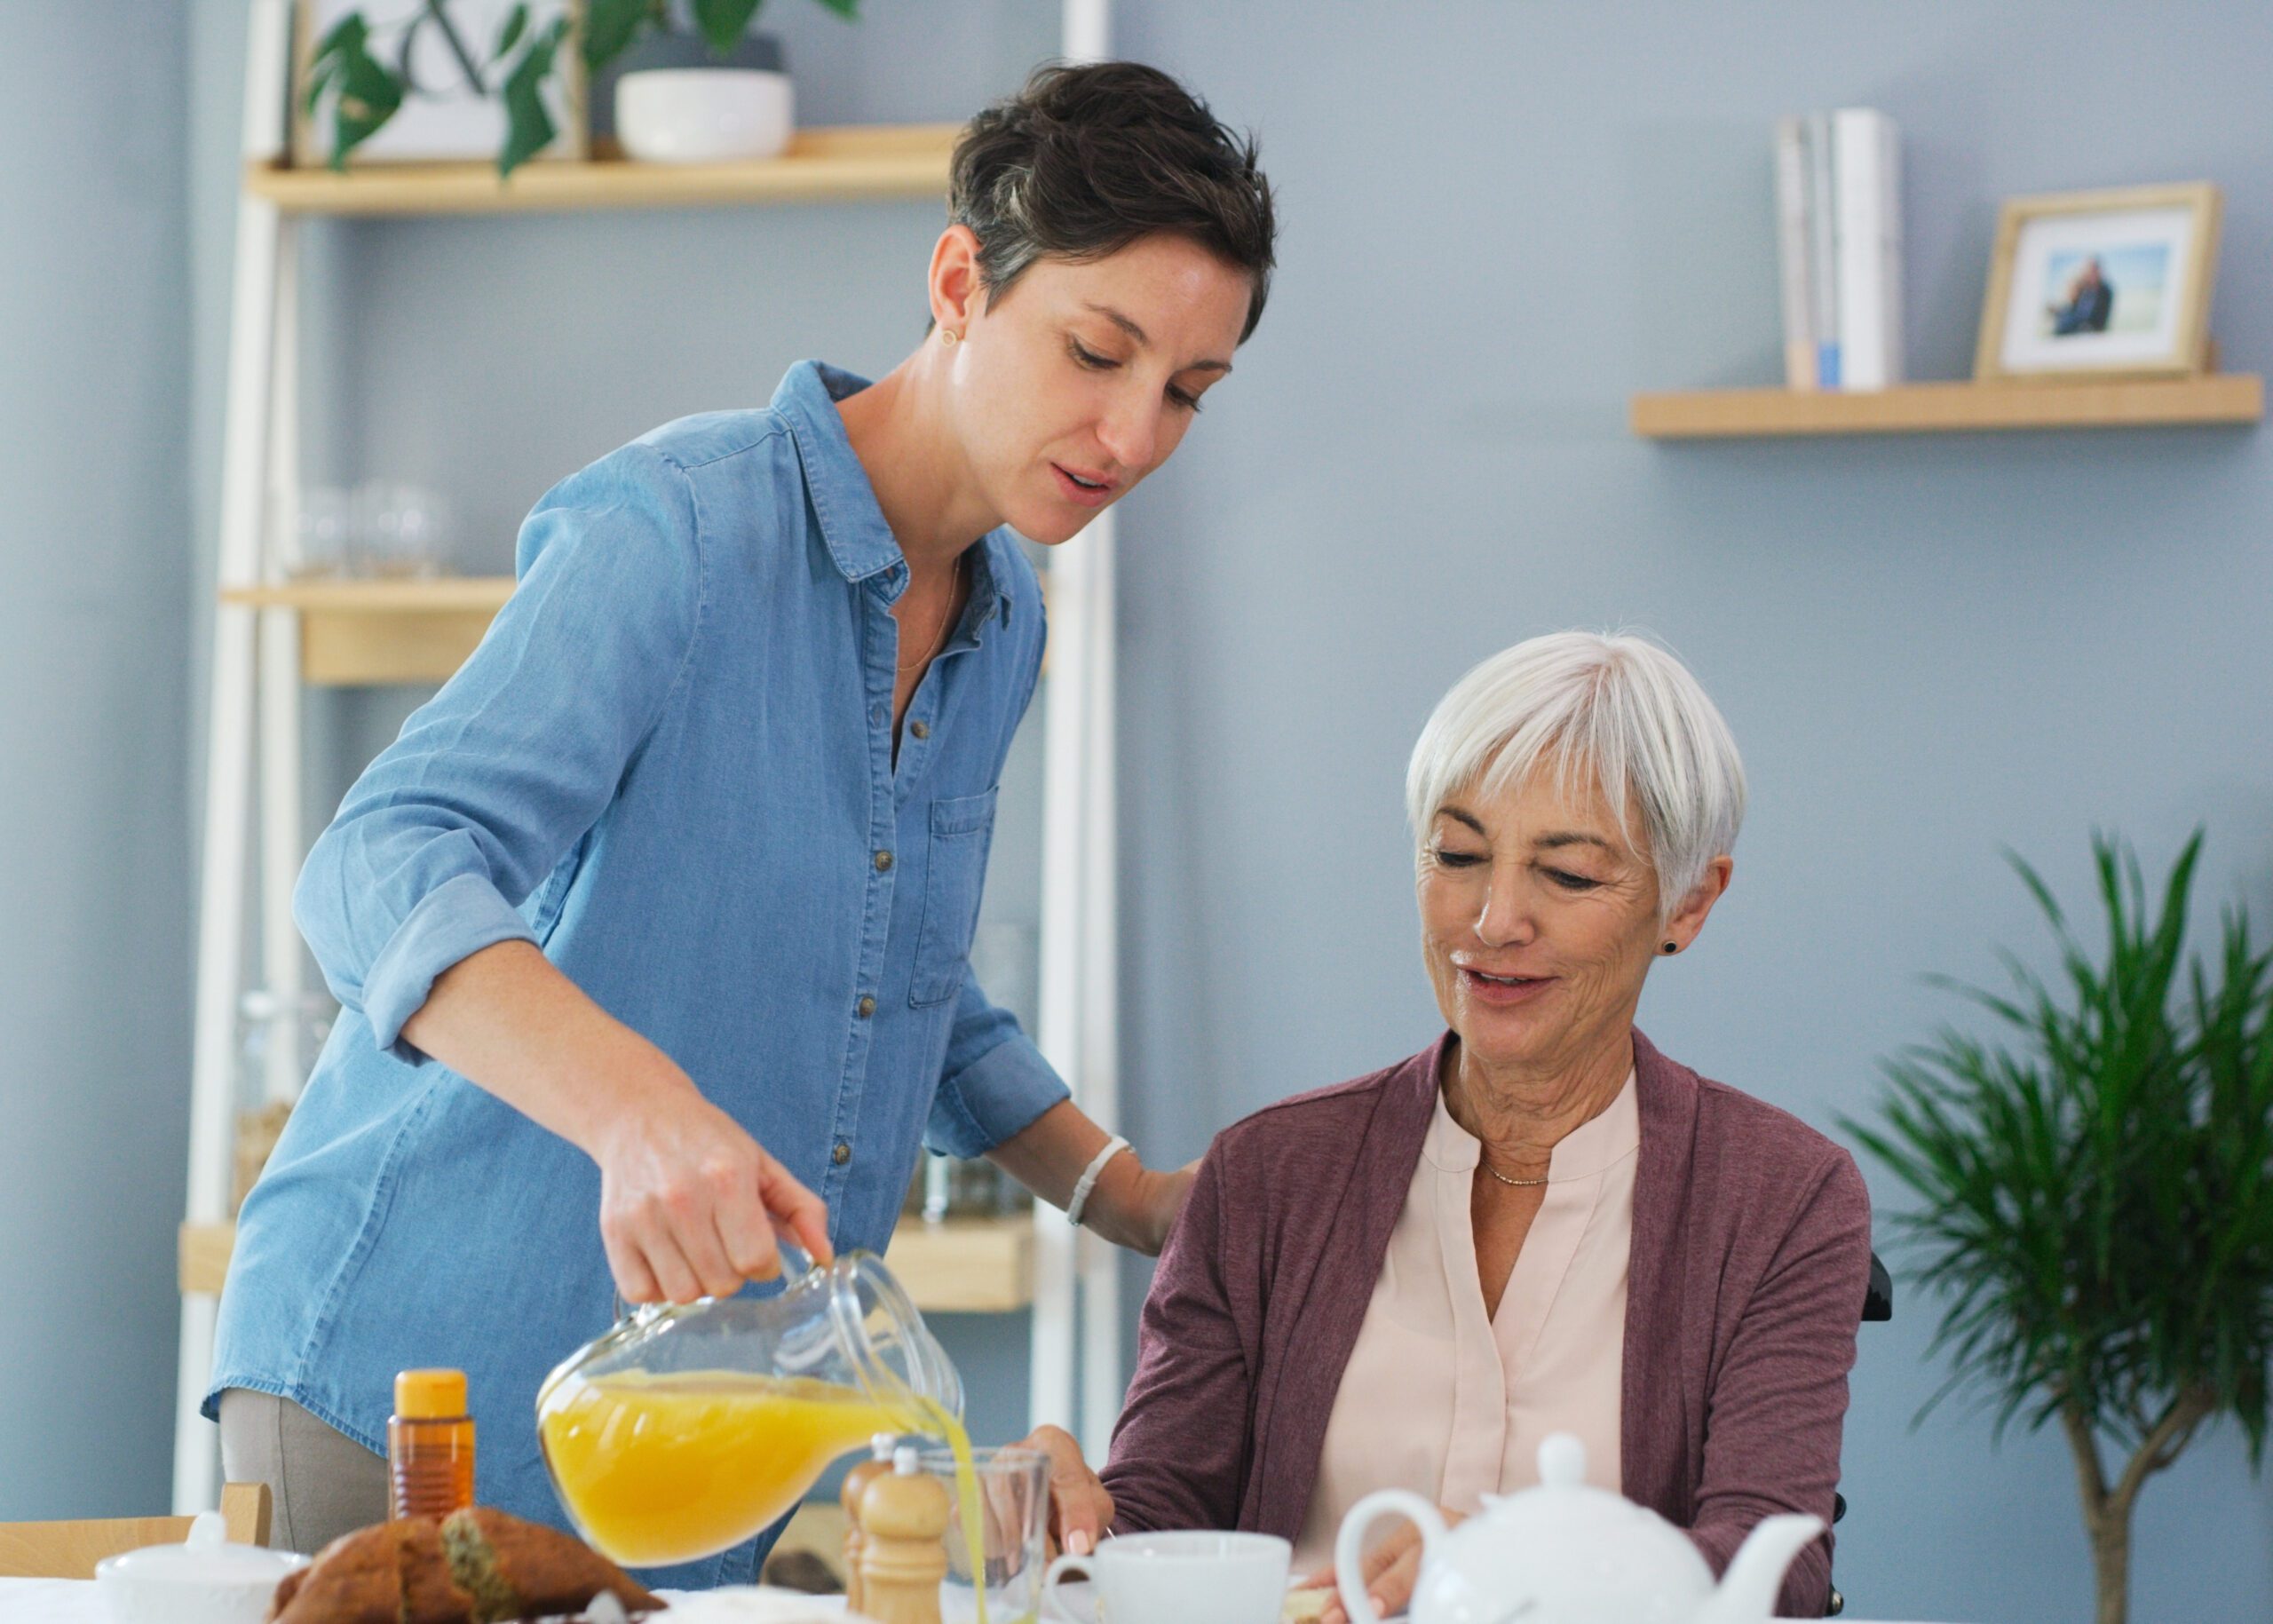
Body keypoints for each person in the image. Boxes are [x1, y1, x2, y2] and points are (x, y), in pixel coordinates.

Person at [208, 60, 1276, 1587]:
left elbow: (905, 978)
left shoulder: (1002, 622)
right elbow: (379, 859)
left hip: (694, 1439)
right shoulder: (682, 529)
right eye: (1096, 351)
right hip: (410, 1379)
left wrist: (1134, 1195)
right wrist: (639, 1108)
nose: (1130, 434)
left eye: (1184, 390)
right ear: (961, 281)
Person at [1071, 632, 1874, 1620]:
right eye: (1456, 854)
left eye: (1568, 874)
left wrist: (1512, 1568)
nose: (1492, 919)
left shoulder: (1781, 1194)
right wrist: (1066, 1522)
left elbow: (1773, 1567)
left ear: (1689, 902)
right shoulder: (1267, 1173)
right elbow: (1158, 1526)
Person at [2050, 255, 2113, 335]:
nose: (2091, 275)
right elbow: (2072, 307)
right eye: (2089, 271)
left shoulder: (2105, 291)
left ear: (2099, 272)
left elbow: (2100, 321)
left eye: (2094, 271)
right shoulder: (2084, 288)